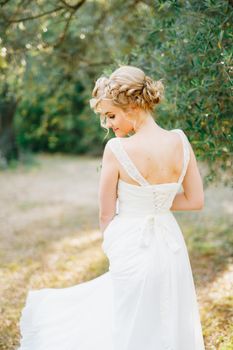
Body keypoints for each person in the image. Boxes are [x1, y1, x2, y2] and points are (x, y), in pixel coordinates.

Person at [18, 65, 206, 350]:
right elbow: (195, 200)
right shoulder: (180, 141)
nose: (108, 124)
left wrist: (114, 243)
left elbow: (106, 213)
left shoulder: (117, 151)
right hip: (170, 245)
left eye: (111, 115)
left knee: (126, 316)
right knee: (165, 312)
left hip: (131, 242)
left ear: (132, 105)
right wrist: (159, 202)